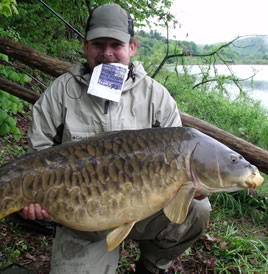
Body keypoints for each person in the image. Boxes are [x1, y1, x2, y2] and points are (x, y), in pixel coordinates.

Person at [23, 3, 211, 274]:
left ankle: (151, 266)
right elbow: (37, 154)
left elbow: (181, 156)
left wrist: (193, 183)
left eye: (116, 44)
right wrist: (34, 194)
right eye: (98, 44)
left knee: (197, 209)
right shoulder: (61, 92)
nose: (107, 53)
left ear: (132, 48)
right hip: (85, 219)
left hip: (145, 210)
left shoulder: (157, 98)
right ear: (86, 47)